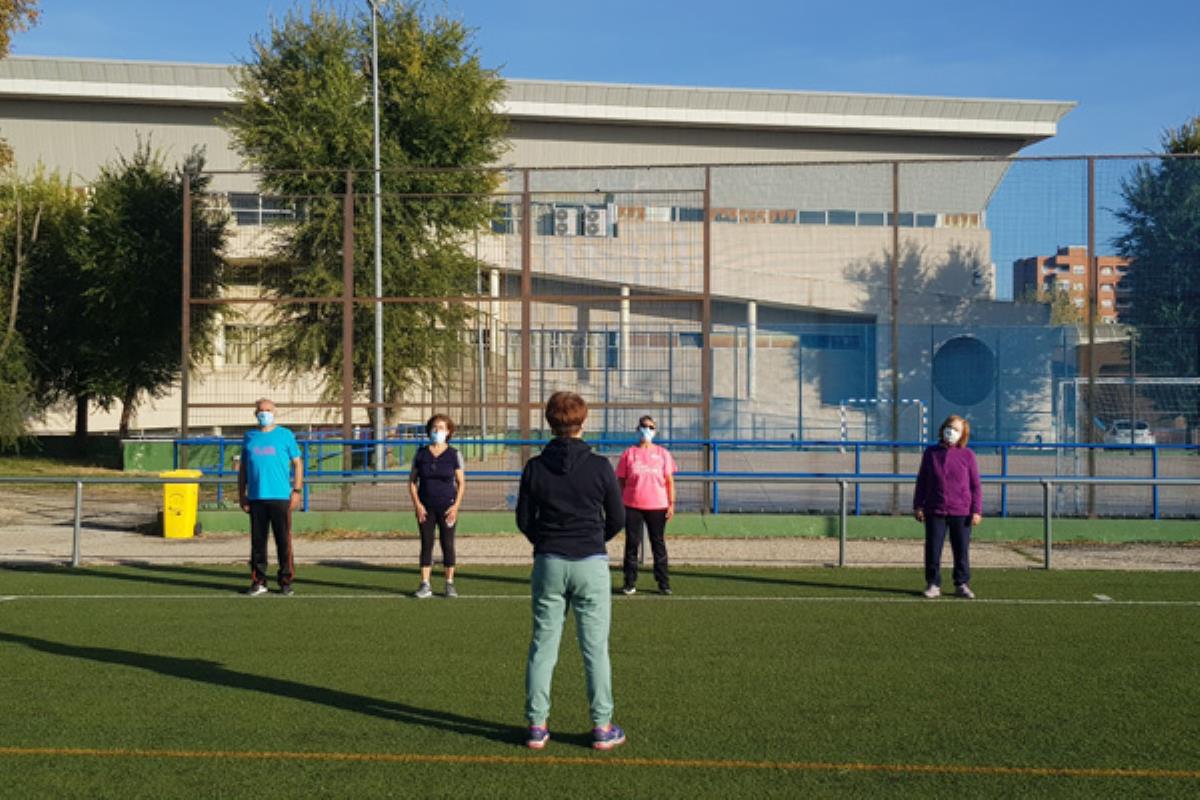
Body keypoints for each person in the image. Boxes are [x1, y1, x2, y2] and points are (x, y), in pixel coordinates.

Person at [516, 391, 626, 751]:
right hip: (590, 562)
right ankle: (602, 725)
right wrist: (594, 537)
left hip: (549, 560)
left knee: (543, 646)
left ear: (549, 422)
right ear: (583, 421)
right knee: (595, 649)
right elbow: (617, 518)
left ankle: (536, 725)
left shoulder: (534, 466)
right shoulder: (599, 466)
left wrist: (545, 539)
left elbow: (523, 519)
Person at [237, 398, 303, 596]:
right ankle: (259, 581)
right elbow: (243, 469)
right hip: (256, 498)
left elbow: (298, 464)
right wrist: (242, 494)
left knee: (283, 541)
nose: (264, 413)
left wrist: (297, 491)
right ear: (255, 413)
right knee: (258, 543)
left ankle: (285, 581)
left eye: (268, 410)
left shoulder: (285, 435)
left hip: (281, 497)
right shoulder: (249, 437)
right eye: (260, 410)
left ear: (274, 412)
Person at [913, 414, 982, 600]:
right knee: (933, 549)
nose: (951, 432)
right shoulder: (931, 453)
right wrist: (918, 505)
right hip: (935, 509)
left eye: (956, 429)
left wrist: (976, 510)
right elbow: (922, 481)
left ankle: (961, 583)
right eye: (949, 427)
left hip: (961, 511)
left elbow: (975, 485)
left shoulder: (968, 455)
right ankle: (933, 583)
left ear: (962, 434)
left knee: (961, 550)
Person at [616, 415, 677, 595]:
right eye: (644, 426)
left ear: (655, 431)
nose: (647, 430)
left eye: (651, 427)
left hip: (658, 505)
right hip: (632, 505)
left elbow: (669, 480)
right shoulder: (629, 453)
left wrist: (671, 503)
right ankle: (629, 582)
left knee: (657, 543)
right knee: (632, 543)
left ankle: (663, 582)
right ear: (638, 429)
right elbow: (620, 480)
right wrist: (620, 501)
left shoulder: (663, 454)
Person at [408, 413, 465, 599]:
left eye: (441, 428)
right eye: (434, 427)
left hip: (447, 507)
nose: (437, 431)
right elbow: (412, 481)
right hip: (426, 508)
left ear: (448, 431)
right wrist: (417, 505)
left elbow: (461, 483)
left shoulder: (454, 454)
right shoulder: (421, 454)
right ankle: (425, 584)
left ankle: (449, 584)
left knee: (447, 544)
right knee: (426, 544)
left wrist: (456, 506)